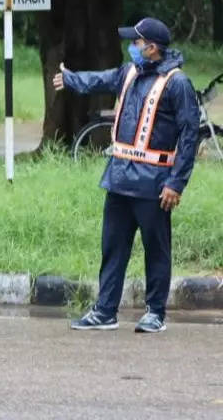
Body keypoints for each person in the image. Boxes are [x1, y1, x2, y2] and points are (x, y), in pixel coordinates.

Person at [53, 17, 200, 333]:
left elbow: (189, 135)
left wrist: (176, 182)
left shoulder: (177, 84)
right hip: (119, 177)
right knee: (113, 247)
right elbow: (99, 80)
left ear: (151, 47)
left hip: (154, 183)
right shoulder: (129, 73)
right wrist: (70, 79)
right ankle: (105, 311)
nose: (131, 47)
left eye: (135, 42)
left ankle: (155, 313)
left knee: (156, 250)